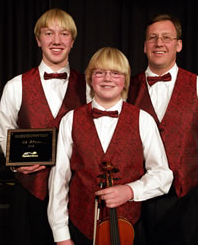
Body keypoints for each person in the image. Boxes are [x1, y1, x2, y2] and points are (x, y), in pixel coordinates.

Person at [47, 47, 173, 245]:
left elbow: (163, 175)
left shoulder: (143, 120)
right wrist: (61, 235)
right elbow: (59, 181)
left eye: (115, 73)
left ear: (125, 80)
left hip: (128, 228)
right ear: (90, 79)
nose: (107, 79)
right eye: (100, 73)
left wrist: (130, 191)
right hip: (79, 228)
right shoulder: (70, 120)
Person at [0, 8, 89, 245]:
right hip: (29, 193)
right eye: (49, 34)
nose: (56, 41)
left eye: (64, 34)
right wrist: (17, 165)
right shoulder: (15, 85)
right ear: (39, 40)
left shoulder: (91, 86)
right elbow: (3, 133)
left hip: (76, 195)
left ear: (72, 41)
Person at [128, 14, 198, 245]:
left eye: (166, 38)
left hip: (186, 198)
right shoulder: (125, 87)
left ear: (178, 45)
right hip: (137, 197)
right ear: (145, 46)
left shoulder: (196, 84)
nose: (159, 43)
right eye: (153, 38)